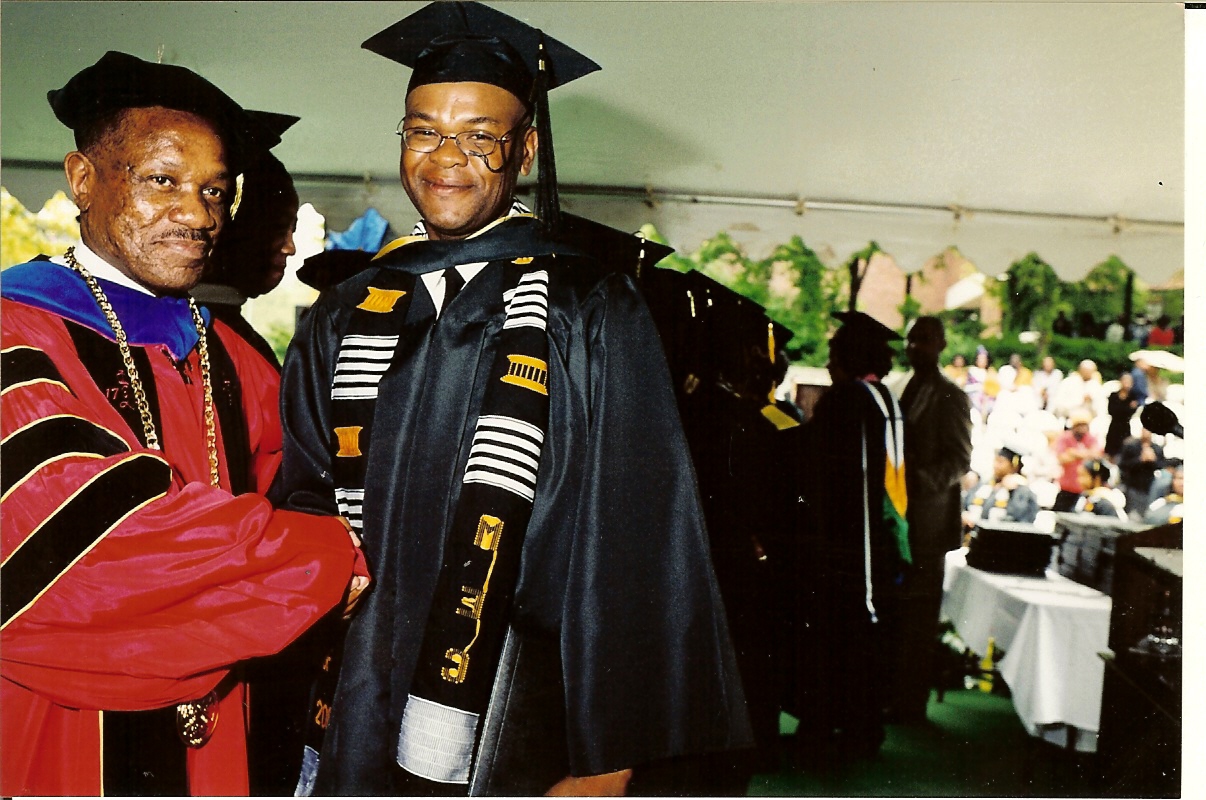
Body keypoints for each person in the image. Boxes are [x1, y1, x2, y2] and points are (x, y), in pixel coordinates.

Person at [271, 4, 750, 795]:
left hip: (520, 702)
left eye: (479, 135)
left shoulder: (589, 306)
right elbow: (304, 488)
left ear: (525, 150)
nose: (444, 157)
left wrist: (607, 758)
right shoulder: (345, 309)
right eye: (422, 130)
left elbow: (634, 538)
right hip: (361, 685)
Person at [0, 51, 367, 797]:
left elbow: (301, 487)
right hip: (61, 726)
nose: (199, 214)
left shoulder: (232, 353)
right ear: (82, 179)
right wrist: (332, 559)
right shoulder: (17, 334)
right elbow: (100, 553)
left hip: (222, 723)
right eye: (162, 181)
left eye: (215, 191)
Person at [796, 311, 909, 759]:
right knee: (864, 635)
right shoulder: (886, 398)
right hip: (877, 540)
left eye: (833, 353)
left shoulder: (847, 399)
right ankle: (862, 727)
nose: (827, 363)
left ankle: (826, 729)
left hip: (847, 541)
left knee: (839, 633)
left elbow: (821, 470)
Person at [890, 317, 972, 723]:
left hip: (928, 524)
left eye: (923, 340)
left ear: (940, 344)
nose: (915, 347)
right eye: (910, 341)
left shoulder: (950, 396)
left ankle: (911, 705)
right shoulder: (904, 389)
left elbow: (959, 459)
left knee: (919, 620)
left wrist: (915, 483)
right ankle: (892, 696)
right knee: (898, 614)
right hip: (901, 520)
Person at [192, 139, 300, 370]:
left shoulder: (231, 333)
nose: (290, 248)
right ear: (233, 228)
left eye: (293, 230)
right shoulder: (194, 338)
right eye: (278, 229)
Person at [962, 445, 1041, 529]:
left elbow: (1022, 520)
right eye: (995, 460)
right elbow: (965, 504)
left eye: (1001, 462)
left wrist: (1011, 492)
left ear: (1014, 466)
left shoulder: (1022, 491)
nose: (996, 465)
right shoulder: (984, 485)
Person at [1052, 409, 1103, 511]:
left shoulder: (1091, 438)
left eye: (1085, 425)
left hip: (1084, 489)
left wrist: (1073, 452)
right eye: (1080, 425)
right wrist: (1085, 453)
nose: (1083, 428)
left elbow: (1096, 454)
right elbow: (1062, 458)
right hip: (1066, 486)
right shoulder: (1065, 437)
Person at [1117, 428, 1168, 520]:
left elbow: (1162, 465)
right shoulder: (1131, 446)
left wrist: (1153, 460)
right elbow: (1123, 465)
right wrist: (1140, 460)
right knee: (1133, 513)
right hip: (1133, 484)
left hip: (1150, 485)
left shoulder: (1156, 448)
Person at [1104, 372, 1141, 458]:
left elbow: (1131, 412)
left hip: (1125, 427)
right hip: (1114, 426)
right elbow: (1112, 411)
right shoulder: (1113, 395)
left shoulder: (1133, 397)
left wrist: (1125, 409)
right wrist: (1127, 408)